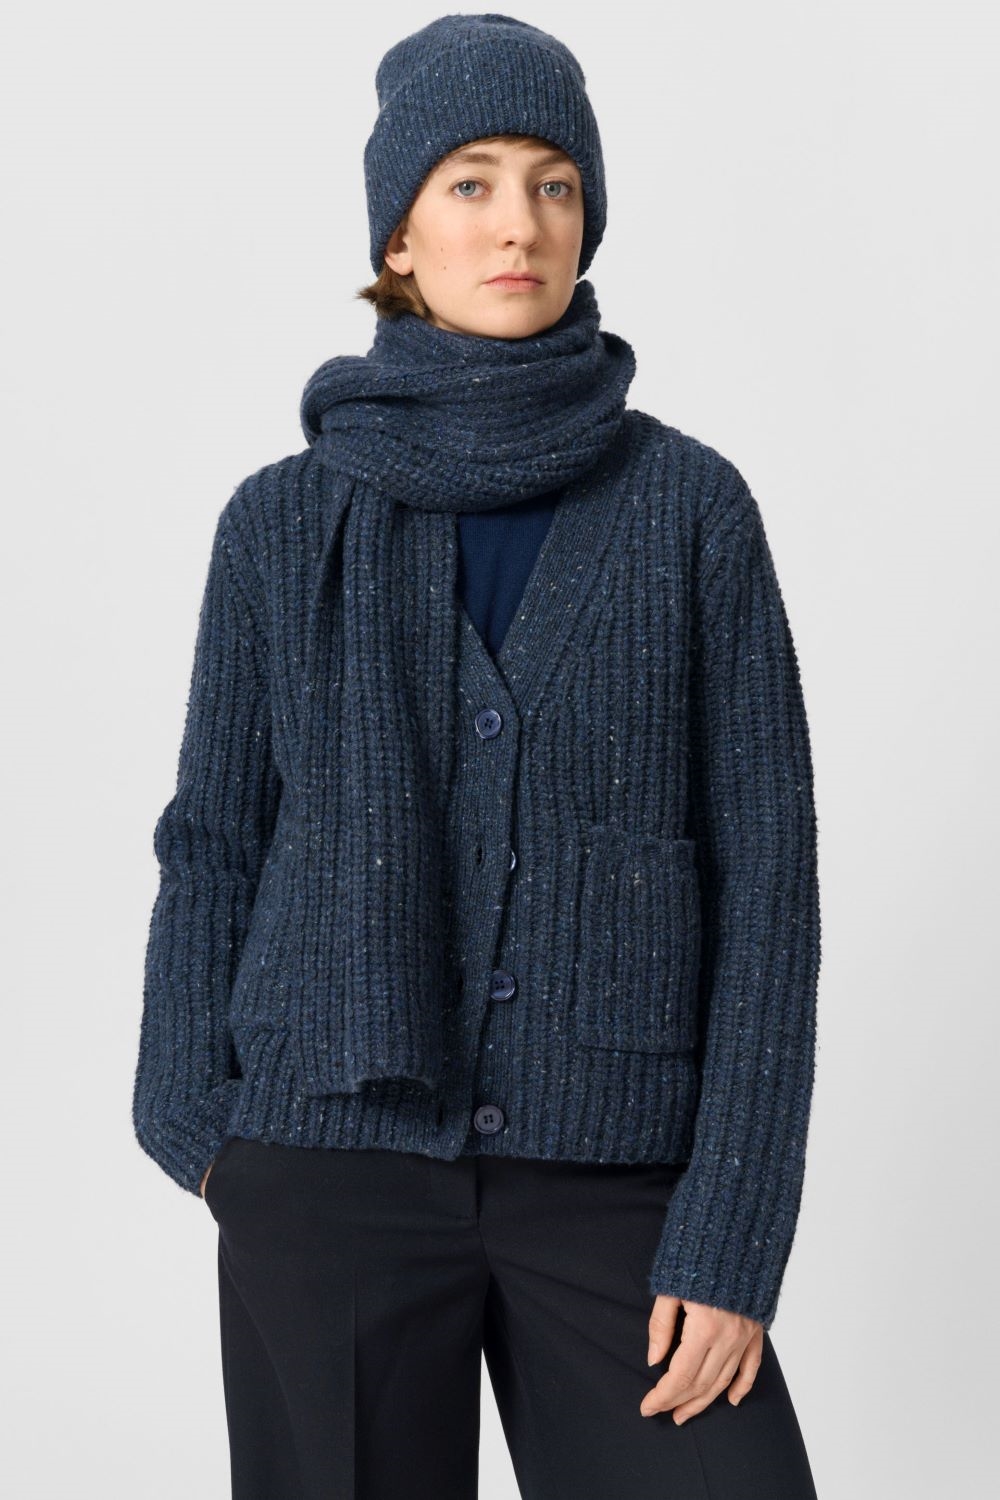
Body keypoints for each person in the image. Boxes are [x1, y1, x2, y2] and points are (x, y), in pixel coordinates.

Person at [132, 14, 822, 1499]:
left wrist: (735, 1226)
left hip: (618, 1178)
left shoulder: (690, 509)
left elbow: (770, 881)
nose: (520, 223)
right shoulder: (280, 522)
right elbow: (215, 842)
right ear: (399, 230)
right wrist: (199, 1124)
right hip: (327, 1169)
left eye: (555, 184)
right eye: (472, 181)